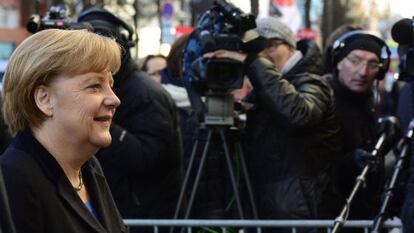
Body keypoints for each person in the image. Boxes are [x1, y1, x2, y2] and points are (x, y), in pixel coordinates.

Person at [204, 17, 342, 229]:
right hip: (272, 210)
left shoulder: (313, 82)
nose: (262, 54)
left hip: (302, 214)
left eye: (269, 46)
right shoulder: (263, 91)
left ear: (290, 46)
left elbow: (298, 114)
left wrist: (253, 63)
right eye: (255, 49)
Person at [0, 29, 127, 233]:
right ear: (44, 99)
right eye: (94, 86)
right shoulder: (12, 180)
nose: (114, 99)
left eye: (110, 85)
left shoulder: (89, 168)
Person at [77, 8, 184, 231]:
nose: (111, 100)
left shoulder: (145, 94)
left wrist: (99, 123)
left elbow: (149, 158)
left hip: (143, 215)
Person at [324, 29, 391, 221]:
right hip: (330, 214)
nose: (363, 72)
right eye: (355, 61)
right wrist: (346, 162)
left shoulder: (370, 104)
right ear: (337, 62)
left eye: (373, 64)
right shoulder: (321, 101)